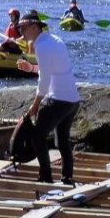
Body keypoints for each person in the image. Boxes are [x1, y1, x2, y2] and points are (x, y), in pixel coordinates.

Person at [14, 11, 80, 185]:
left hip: (57, 100)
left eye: (23, 28)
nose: (21, 32)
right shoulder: (55, 40)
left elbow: (45, 80)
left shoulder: (41, 47)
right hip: (72, 100)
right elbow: (53, 69)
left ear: (35, 27)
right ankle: (67, 177)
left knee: (37, 137)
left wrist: (36, 105)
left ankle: (46, 177)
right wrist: (31, 68)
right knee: (62, 140)